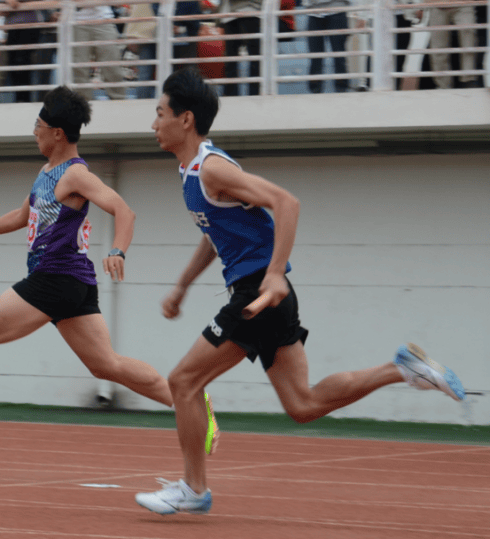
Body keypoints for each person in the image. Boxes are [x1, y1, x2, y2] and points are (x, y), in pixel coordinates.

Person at [135, 68, 465, 516]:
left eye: (159, 114)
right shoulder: (193, 173)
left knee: (183, 382)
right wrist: (182, 286)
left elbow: (287, 203)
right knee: (303, 404)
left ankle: (193, 489)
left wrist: (273, 274)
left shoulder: (211, 168)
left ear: (186, 119)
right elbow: (216, 236)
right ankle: (402, 369)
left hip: (258, 295)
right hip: (268, 296)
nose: (153, 124)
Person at [0, 87, 220, 450]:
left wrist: (118, 250)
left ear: (57, 133)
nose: (34, 131)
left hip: (54, 277)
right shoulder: (47, 171)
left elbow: (124, 211)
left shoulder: (75, 174)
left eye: (39, 125)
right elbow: (23, 216)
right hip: (73, 282)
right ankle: (191, 402)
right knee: (106, 366)